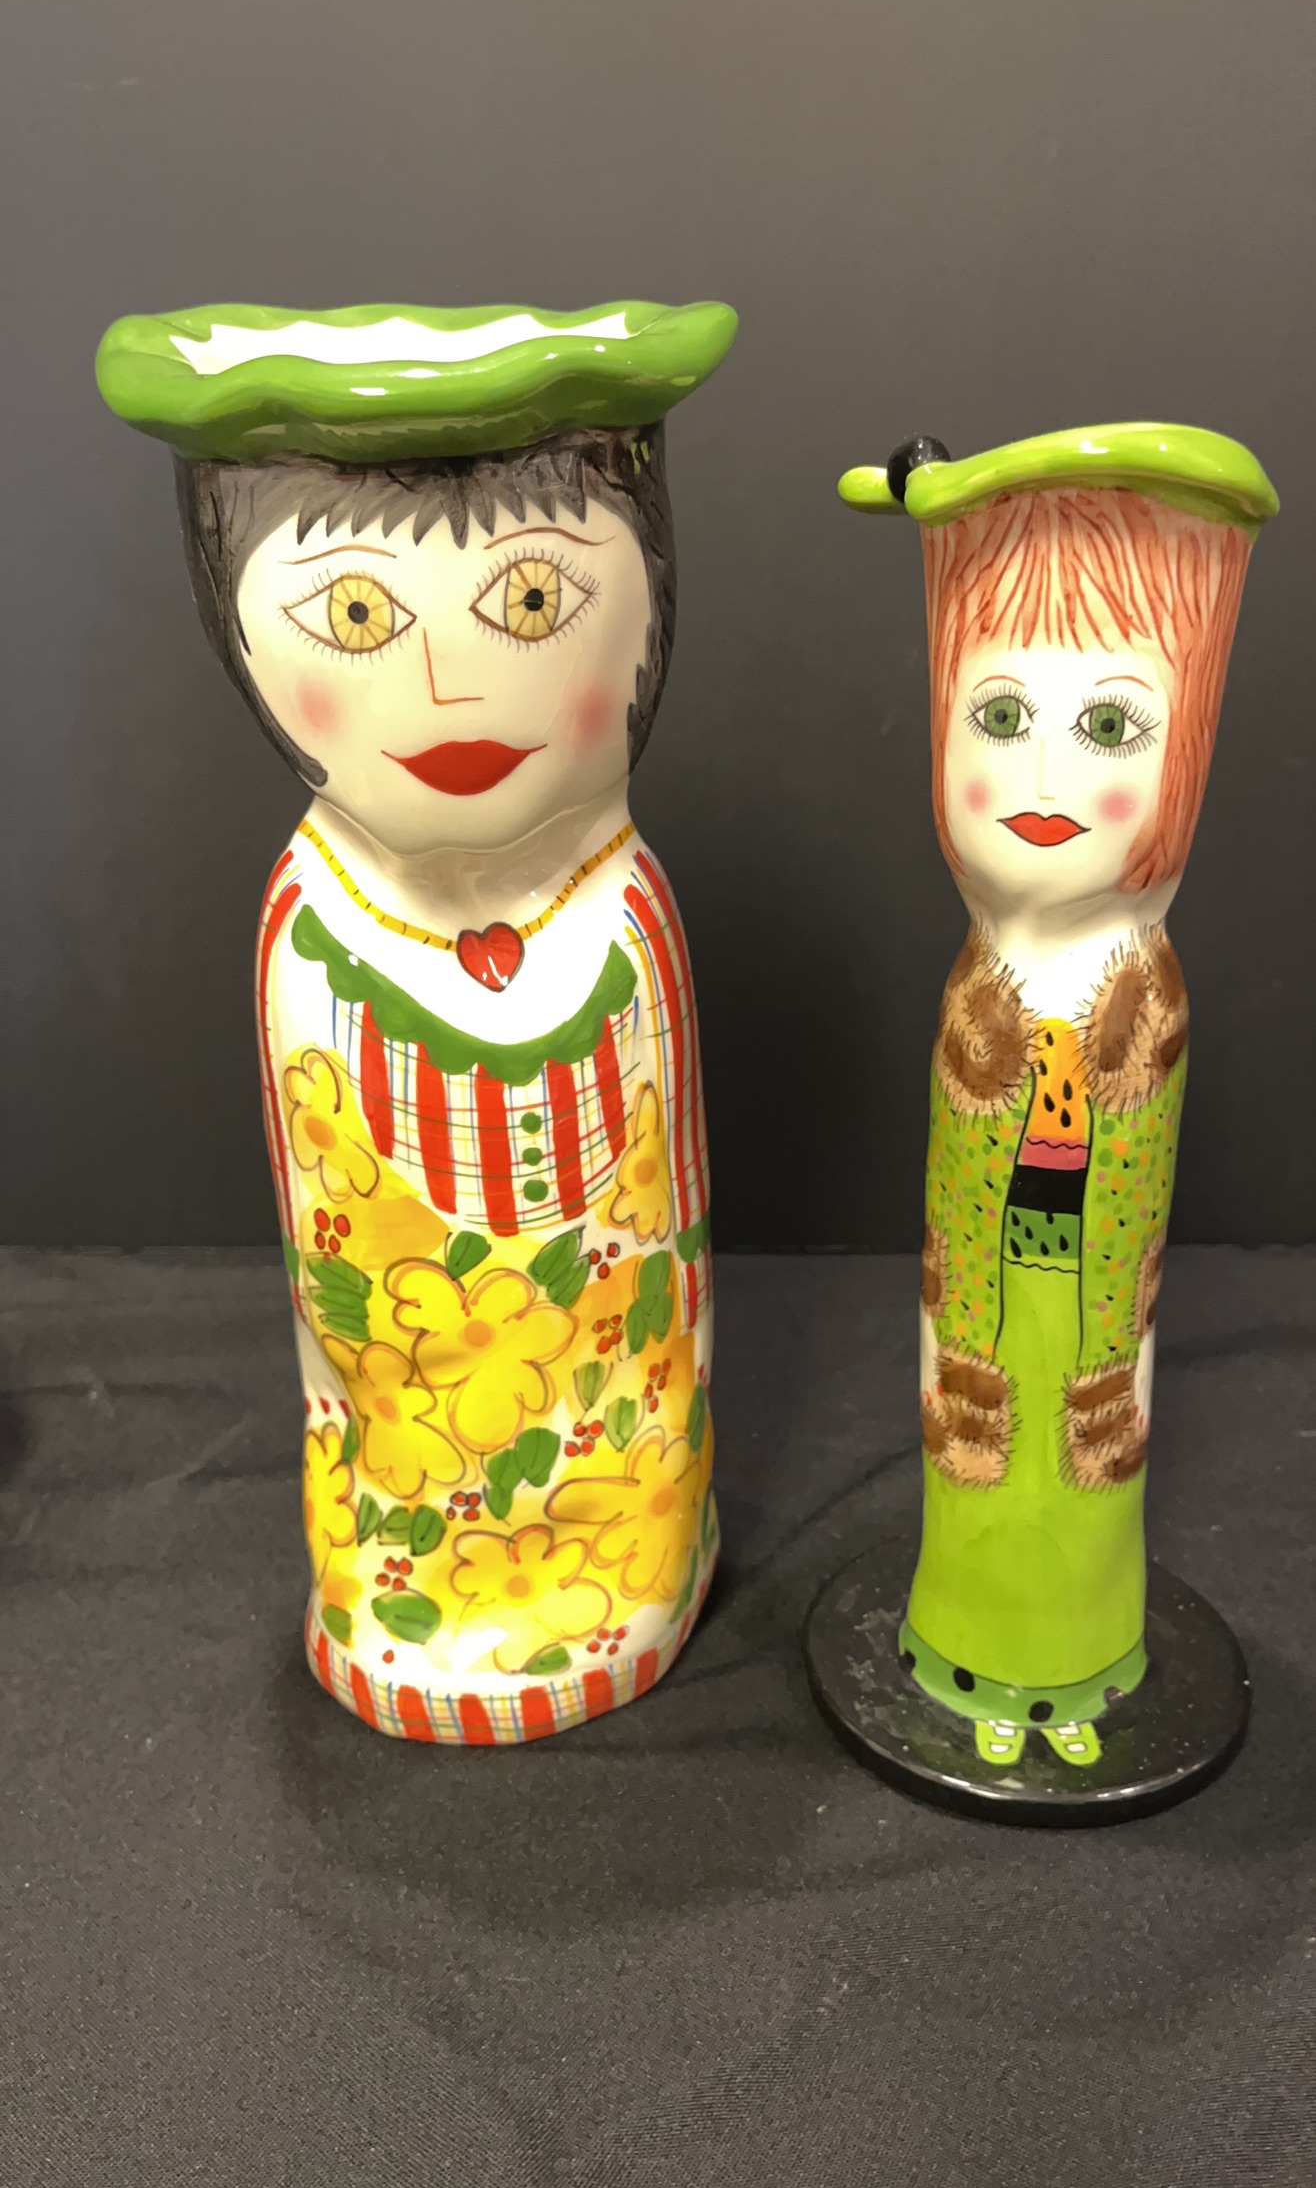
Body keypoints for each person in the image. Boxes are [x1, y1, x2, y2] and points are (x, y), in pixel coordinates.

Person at [98, 301, 736, 1742]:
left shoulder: (626, 910)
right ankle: (409, 1597)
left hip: (618, 1463)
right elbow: (322, 1271)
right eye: (359, 617)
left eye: (531, 602)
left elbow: (675, 1238)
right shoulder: (314, 930)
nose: (452, 688)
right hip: (407, 1460)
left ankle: (656, 1559)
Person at [840, 427, 1277, 1767]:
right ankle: (964, 1656)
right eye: (999, 718)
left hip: (1090, 1308)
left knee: (1086, 1470)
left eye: (1107, 727)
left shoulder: (1146, 998)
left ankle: (1076, 1674)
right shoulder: (981, 990)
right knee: (973, 1452)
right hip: (986, 1295)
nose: (1041, 783)